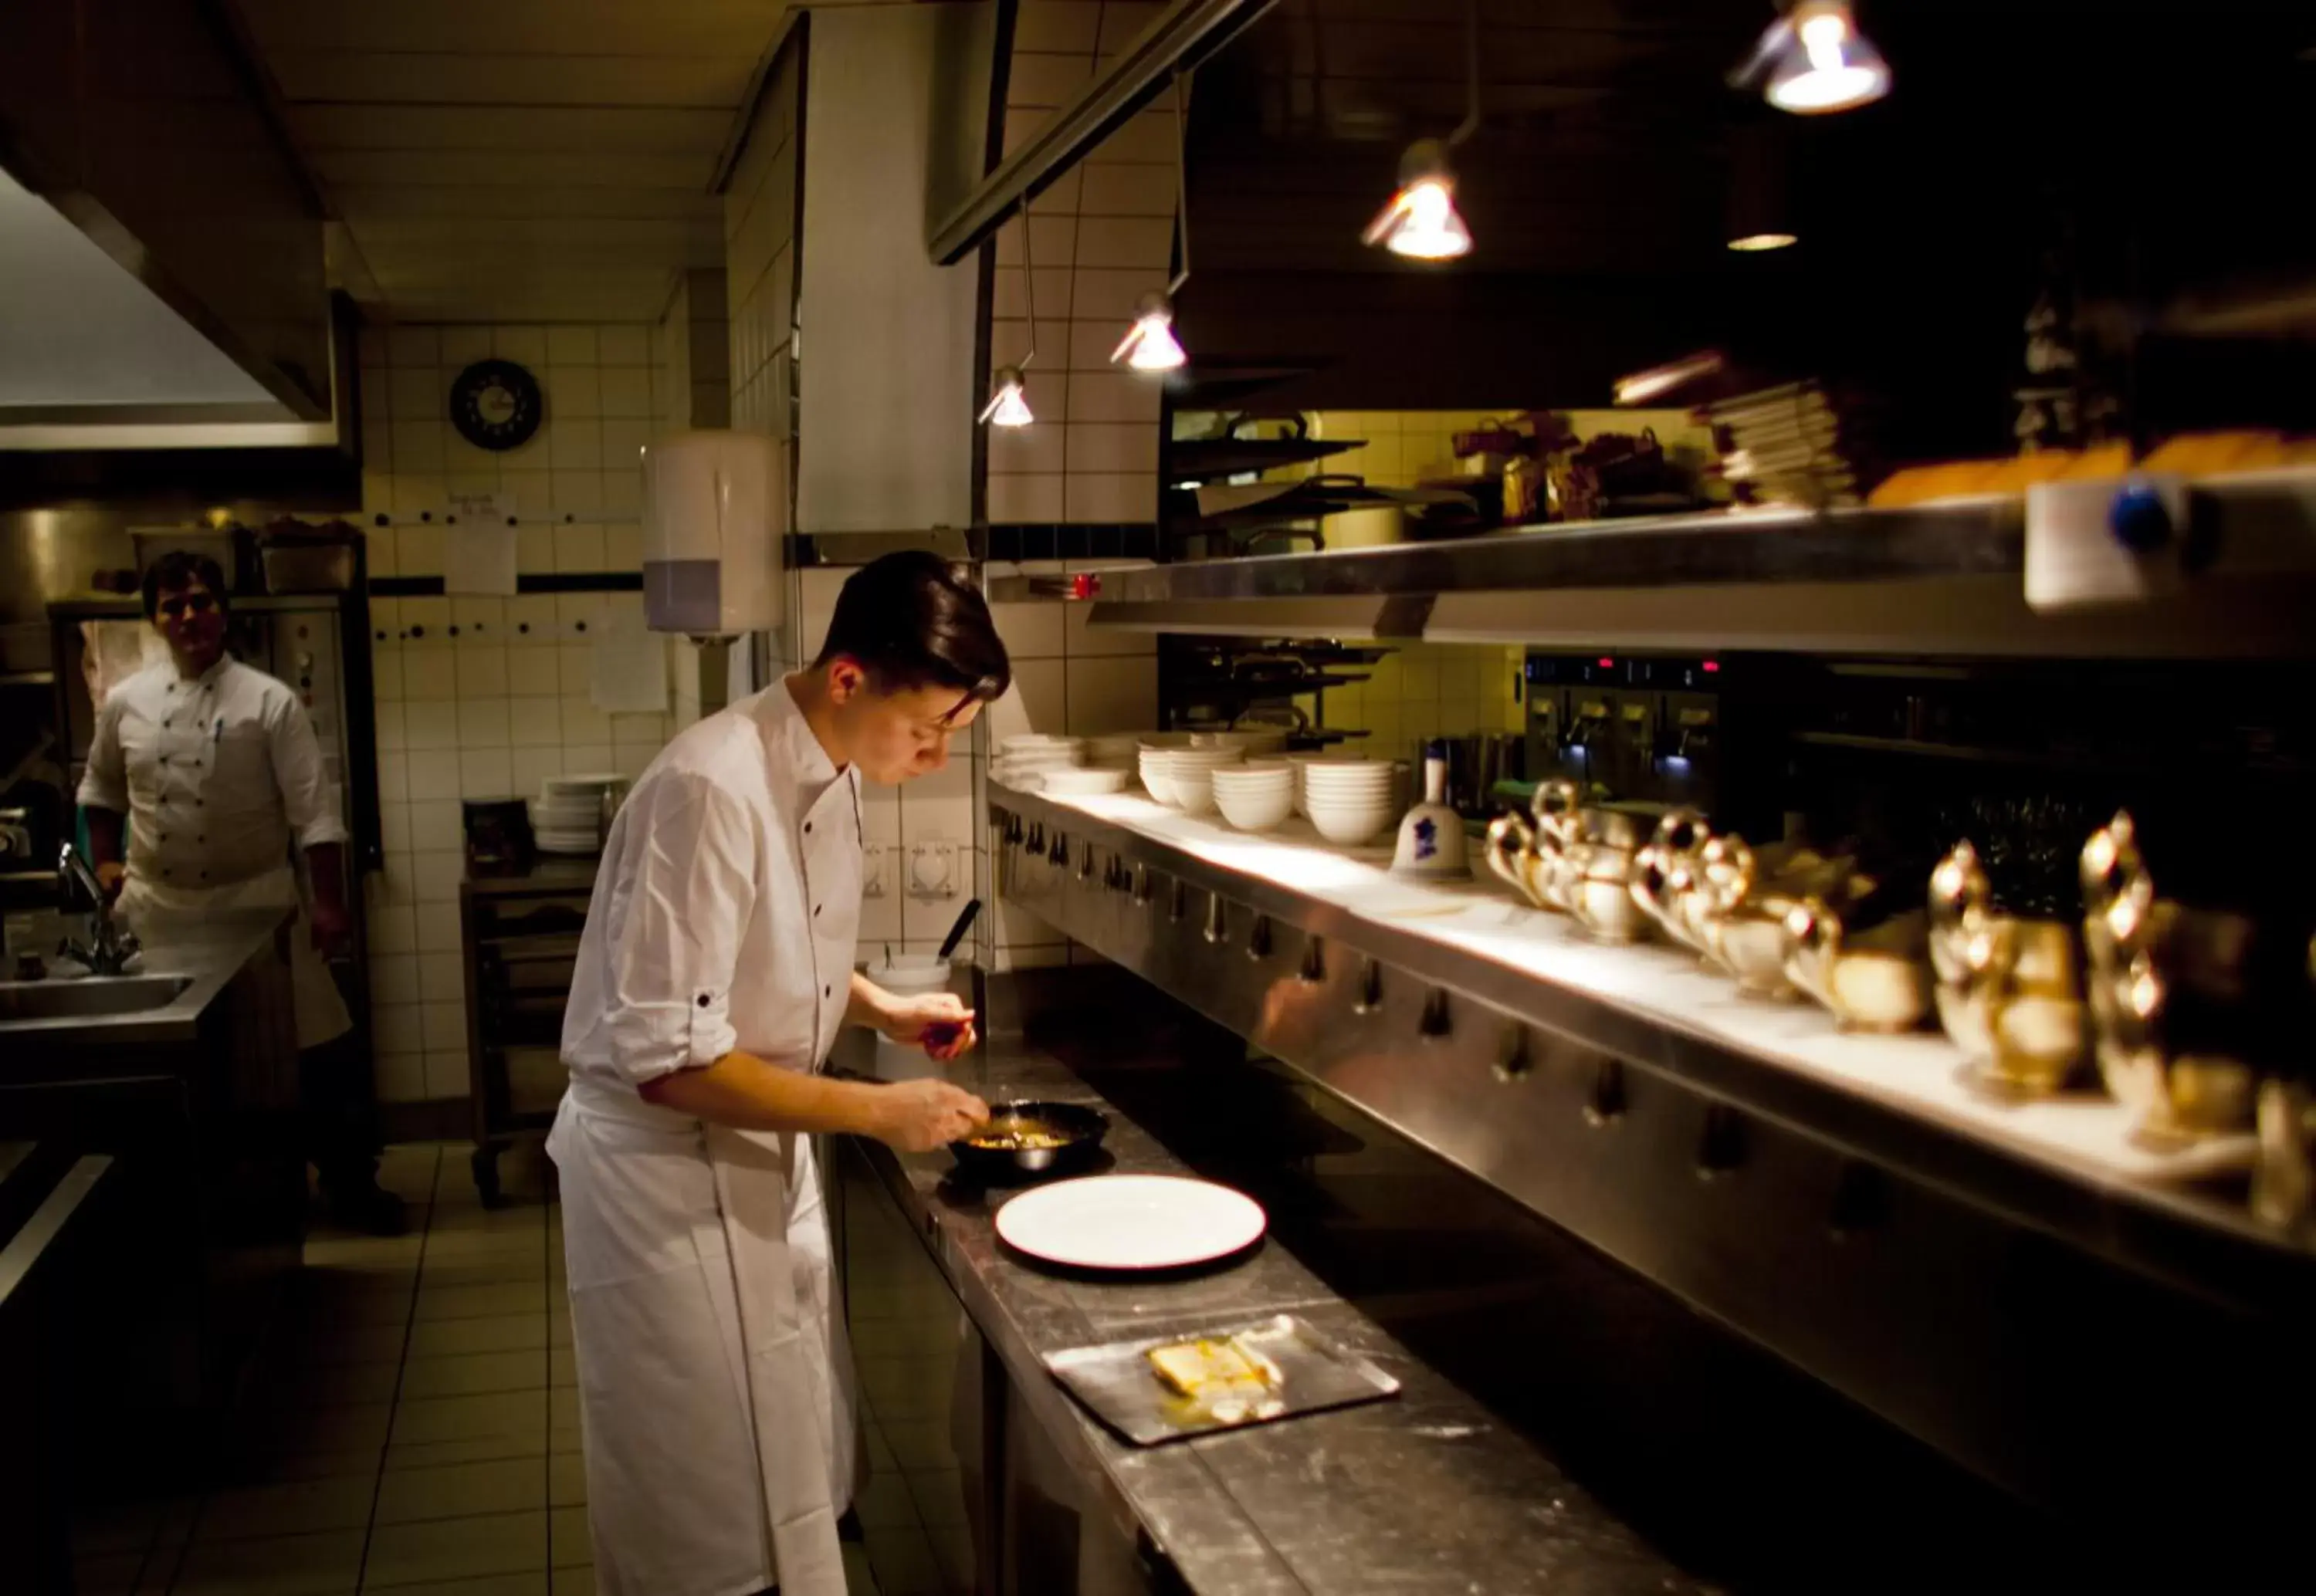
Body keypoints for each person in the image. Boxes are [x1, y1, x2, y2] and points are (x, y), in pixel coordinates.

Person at [549, 551, 1003, 1596]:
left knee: (787, 1476)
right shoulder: (710, 786)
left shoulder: (830, 765)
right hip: (664, 1184)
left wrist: (882, 1005)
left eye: (953, 735)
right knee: (700, 1508)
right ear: (849, 679)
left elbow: (764, 938)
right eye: (927, 729)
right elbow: (667, 1058)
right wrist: (879, 1109)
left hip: (756, 1157)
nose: (935, 756)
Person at [78, 549, 405, 1233]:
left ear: (222, 610)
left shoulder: (269, 701)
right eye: (173, 606)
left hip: (257, 905)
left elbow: (314, 813)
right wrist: (105, 867)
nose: (189, 616)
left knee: (321, 1046)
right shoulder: (125, 703)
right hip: (156, 910)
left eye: (200, 601)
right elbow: (100, 792)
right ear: (155, 620)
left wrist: (328, 902)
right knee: (185, 1057)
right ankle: (199, 1195)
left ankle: (351, 1183)